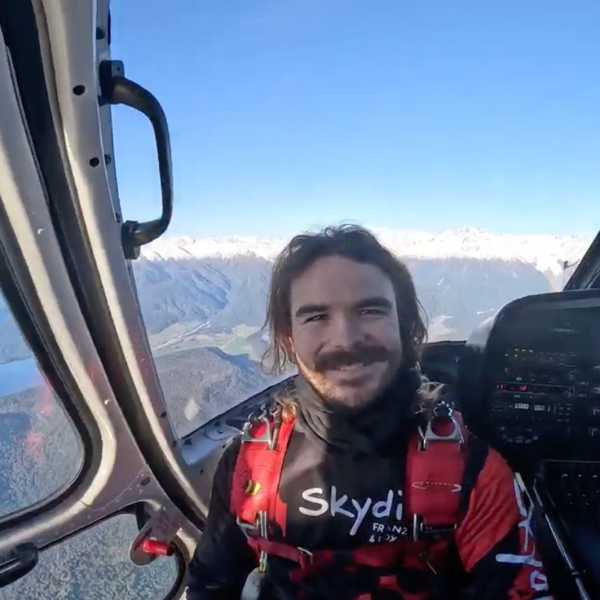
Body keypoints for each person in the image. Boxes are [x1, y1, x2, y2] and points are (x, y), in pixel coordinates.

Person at [186, 224, 553, 600]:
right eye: (316, 317)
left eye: (370, 310)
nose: (346, 339)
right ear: (288, 339)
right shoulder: (249, 463)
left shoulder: (474, 472)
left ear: (405, 326)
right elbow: (210, 585)